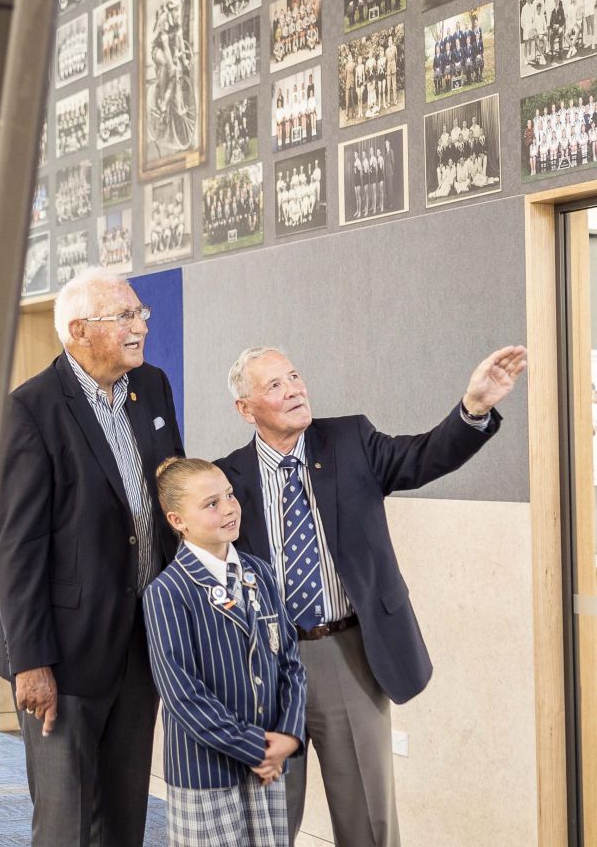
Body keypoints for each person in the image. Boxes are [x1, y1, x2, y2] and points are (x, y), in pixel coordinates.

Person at [215, 344, 527, 847]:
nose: (294, 389)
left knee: (366, 818)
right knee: (265, 819)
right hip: (266, 664)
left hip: (347, 656)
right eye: (274, 385)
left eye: (294, 376)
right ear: (245, 409)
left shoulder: (350, 440)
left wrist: (474, 408)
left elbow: (424, 455)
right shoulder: (227, 478)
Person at [0, 266, 184, 847]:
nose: (141, 326)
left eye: (140, 314)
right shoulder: (31, 410)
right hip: (64, 658)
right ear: (79, 331)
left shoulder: (149, 385)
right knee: (65, 824)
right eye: (124, 316)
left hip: (141, 641)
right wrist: (31, 662)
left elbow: (171, 485)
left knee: (124, 819)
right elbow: (18, 549)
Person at [143, 456, 307, 847]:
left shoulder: (260, 573)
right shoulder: (167, 592)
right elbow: (183, 694)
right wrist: (256, 748)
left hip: (267, 764)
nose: (229, 508)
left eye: (229, 496)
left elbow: (290, 662)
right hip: (207, 772)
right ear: (177, 521)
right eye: (211, 504)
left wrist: (287, 736)